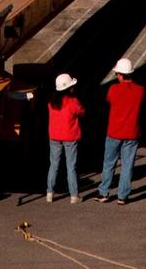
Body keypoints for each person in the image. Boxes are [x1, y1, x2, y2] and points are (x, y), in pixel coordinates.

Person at [96, 57, 144, 205]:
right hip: (131, 133)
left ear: (121, 75)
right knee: (127, 165)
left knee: (109, 163)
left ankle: (104, 192)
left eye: (117, 73)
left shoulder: (113, 89)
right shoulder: (140, 90)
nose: (116, 75)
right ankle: (122, 196)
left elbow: (109, 100)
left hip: (114, 132)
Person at [46, 73, 84, 203]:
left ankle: (49, 193)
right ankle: (74, 195)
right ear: (68, 88)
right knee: (71, 166)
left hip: (54, 137)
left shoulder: (51, 103)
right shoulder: (73, 102)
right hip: (70, 137)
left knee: (54, 165)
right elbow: (82, 112)